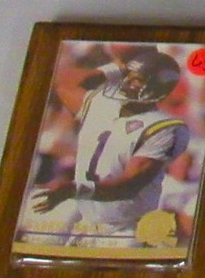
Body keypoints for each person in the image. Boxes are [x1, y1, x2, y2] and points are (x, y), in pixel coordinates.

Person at [28, 47, 195, 248]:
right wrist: (116, 68)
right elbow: (62, 82)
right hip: (84, 221)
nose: (126, 83)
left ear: (156, 88)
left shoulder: (163, 127)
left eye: (136, 79)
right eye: (127, 76)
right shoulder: (101, 106)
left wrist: (74, 189)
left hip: (124, 231)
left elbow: (129, 185)